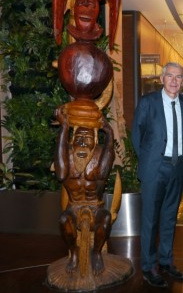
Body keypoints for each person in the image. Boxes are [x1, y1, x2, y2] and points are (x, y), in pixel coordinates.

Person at [131, 62, 183, 288]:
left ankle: (165, 261)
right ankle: (148, 266)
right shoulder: (148, 103)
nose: (174, 80)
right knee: (150, 219)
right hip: (154, 168)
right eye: (170, 76)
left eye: (179, 77)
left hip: (177, 168)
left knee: (169, 217)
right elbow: (136, 135)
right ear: (162, 78)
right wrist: (148, 160)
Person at [54, 106, 115, 276]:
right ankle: (73, 253)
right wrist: (64, 128)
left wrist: (109, 133)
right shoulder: (67, 157)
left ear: (95, 141)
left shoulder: (99, 155)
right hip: (73, 207)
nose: (82, 143)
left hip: (96, 207)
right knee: (64, 219)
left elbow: (103, 172)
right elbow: (60, 175)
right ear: (72, 140)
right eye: (78, 138)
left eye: (87, 139)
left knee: (106, 219)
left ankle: (96, 253)